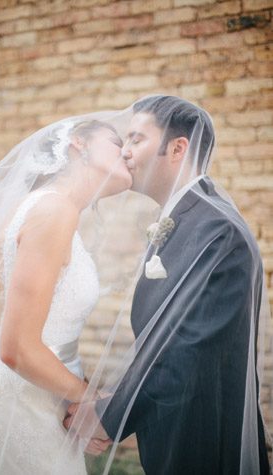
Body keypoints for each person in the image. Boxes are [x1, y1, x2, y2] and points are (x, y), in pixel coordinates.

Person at [63, 96, 270, 474]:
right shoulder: (187, 220)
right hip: (171, 433)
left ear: (177, 148)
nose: (124, 153)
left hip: (202, 444)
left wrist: (109, 416)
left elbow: (185, 354)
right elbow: (163, 340)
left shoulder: (218, 232)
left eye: (136, 140)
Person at [0, 119, 131, 474]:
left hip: (36, 394)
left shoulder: (44, 206)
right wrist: (90, 404)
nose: (127, 152)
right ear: (78, 144)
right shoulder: (54, 211)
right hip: (31, 403)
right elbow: (17, 346)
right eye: (116, 142)